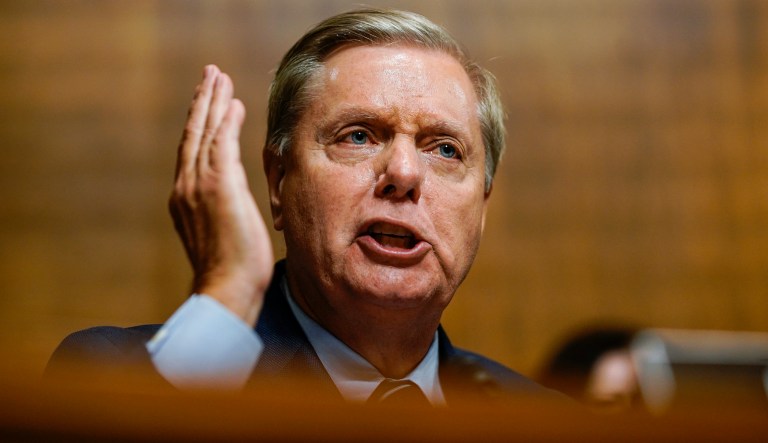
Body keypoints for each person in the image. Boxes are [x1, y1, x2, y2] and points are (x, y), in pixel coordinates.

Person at [47, 8, 559, 406]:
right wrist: (226, 298)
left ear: (483, 206)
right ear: (277, 183)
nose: (403, 174)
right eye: (358, 136)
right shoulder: (114, 377)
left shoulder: (544, 424)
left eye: (445, 149)